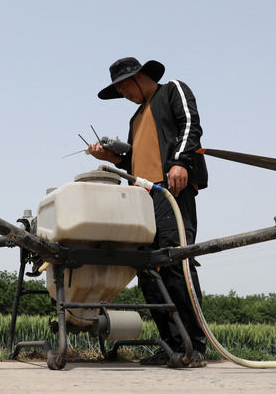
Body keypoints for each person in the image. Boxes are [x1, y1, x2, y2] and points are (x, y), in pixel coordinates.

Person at [88, 56, 209, 368]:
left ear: (139, 76)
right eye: (119, 92)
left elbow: (190, 125)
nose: (124, 95)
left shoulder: (172, 90)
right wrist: (112, 158)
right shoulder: (135, 120)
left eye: (124, 88)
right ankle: (171, 344)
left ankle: (194, 344)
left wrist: (181, 161)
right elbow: (135, 164)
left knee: (175, 262)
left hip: (171, 190)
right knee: (148, 271)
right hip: (143, 199)